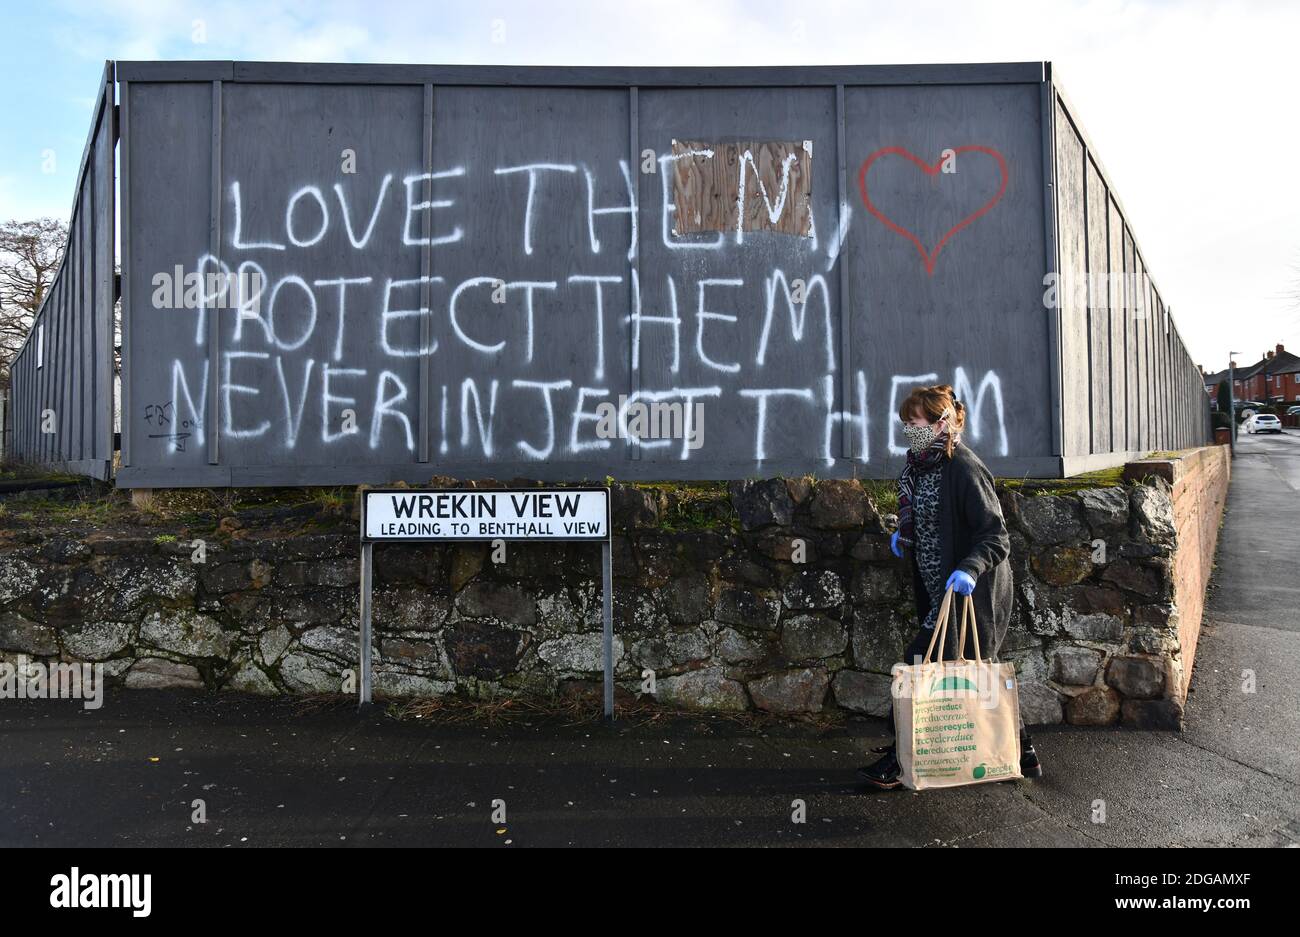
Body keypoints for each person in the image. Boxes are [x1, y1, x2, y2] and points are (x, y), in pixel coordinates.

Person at [857, 383, 1042, 789]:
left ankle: (900, 758)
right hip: (937, 592)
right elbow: (926, 516)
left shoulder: (964, 468)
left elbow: (996, 536)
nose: (909, 430)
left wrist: (970, 569)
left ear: (942, 424)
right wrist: (905, 536)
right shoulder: (919, 467)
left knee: (920, 666)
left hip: (971, 594)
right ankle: (1023, 752)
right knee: (980, 671)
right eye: (905, 423)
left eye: (915, 422)